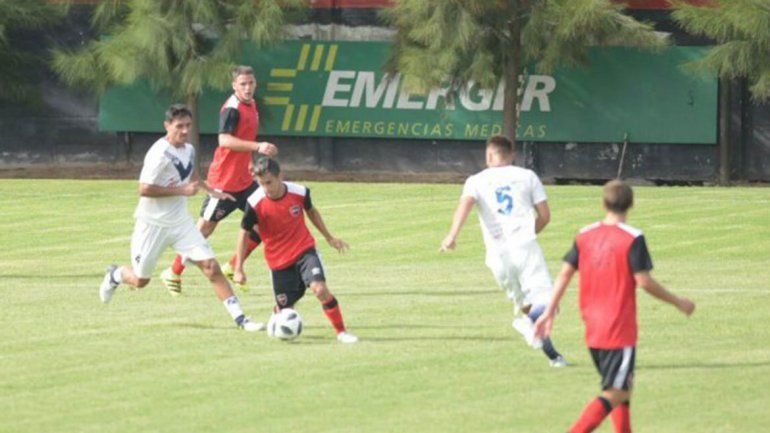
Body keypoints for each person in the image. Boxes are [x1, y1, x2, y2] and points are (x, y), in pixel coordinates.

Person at [534, 179, 696, 433]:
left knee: (623, 387)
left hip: (592, 326)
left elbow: (565, 273)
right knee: (617, 391)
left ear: (603, 203)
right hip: (618, 328)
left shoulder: (585, 235)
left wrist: (548, 313)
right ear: (631, 204)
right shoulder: (633, 238)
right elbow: (643, 281)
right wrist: (678, 302)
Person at [98, 104, 263, 332]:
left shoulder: (189, 149)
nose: (184, 131)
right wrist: (181, 191)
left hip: (180, 223)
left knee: (211, 267)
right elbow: (144, 189)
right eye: (179, 126)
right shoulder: (158, 153)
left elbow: (191, 173)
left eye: (188, 125)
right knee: (140, 280)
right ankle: (115, 274)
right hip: (152, 224)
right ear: (167, 126)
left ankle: (241, 320)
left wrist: (211, 190)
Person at [440, 135, 567, 367]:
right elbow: (545, 216)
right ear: (512, 155)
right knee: (549, 304)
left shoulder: (475, 180)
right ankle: (531, 327)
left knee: (527, 306)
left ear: (489, 156)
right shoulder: (527, 176)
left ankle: (553, 356)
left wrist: (452, 236)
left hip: (497, 256)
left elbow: (465, 206)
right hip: (526, 249)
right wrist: (527, 233)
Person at [161, 65, 278, 295]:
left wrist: (250, 165)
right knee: (203, 229)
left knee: (265, 223)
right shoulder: (232, 108)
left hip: (244, 181)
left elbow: (242, 142)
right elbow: (224, 140)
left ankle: (233, 267)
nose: (247, 88)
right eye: (242, 84)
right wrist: (258, 146)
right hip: (223, 183)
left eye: (251, 83)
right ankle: (173, 272)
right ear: (234, 85)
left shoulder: (251, 105)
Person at [233, 157, 359, 343]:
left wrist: (329, 237)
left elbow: (312, 211)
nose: (266, 187)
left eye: (269, 182)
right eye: (261, 183)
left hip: (304, 252)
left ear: (280, 176)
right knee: (286, 310)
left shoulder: (299, 192)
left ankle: (341, 332)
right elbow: (244, 233)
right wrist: (238, 268)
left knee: (320, 289)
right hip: (278, 263)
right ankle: (278, 319)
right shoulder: (254, 202)